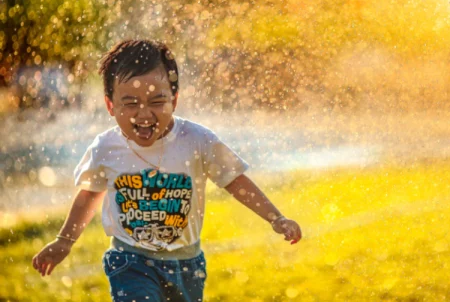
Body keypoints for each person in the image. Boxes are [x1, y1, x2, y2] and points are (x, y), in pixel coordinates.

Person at [32, 39, 302, 301]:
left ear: (175, 99)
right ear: (110, 105)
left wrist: (275, 218)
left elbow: (235, 180)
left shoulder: (197, 140)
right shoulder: (106, 147)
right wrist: (65, 240)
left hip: (187, 264)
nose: (144, 113)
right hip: (130, 260)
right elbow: (90, 194)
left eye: (157, 101)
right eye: (131, 103)